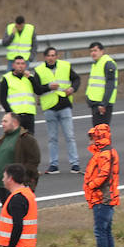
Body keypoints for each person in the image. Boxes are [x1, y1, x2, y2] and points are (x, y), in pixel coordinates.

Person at [35, 46, 80, 174]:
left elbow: (76, 79)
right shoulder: (39, 70)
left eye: (53, 55)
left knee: (70, 136)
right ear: (45, 57)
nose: (51, 58)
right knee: (52, 138)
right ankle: (54, 164)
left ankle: (75, 163)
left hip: (64, 105)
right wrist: (48, 87)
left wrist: (72, 89)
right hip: (49, 107)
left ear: (57, 56)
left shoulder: (65, 66)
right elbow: (37, 89)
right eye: (49, 55)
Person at [83, 124, 119, 247]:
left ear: (98, 137)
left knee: (100, 231)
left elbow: (104, 175)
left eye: (92, 137)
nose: (90, 140)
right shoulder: (106, 152)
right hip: (105, 198)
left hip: (102, 199)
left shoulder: (104, 154)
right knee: (106, 230)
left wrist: (90, 185)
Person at [0, 111, 40, 204]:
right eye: (2, 121)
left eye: (5, 121)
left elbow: (34, 160)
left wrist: (18, 176)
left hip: (16, 186)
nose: (2, 124)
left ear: (15, 123)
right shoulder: (2, 140)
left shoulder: (26, 139)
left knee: (16, 214)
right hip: (2, 186)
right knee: (7, 216)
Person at [0, 163, 38, 247]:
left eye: (4, 177)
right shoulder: (26, 193)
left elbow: (18, 225)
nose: (3, 180)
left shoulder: (17, 199)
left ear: (11, 179)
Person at [0, 56, 44, 135]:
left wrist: (30, 78)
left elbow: (39, 91)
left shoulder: (30, 77)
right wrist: (10, 113)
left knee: (29, 141)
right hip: (15, 116)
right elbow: (3, 99)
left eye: (22, 64)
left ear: (25, 65)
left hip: (29, 114)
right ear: (13, 65)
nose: (20, 66)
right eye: (18, 63)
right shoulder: (7, 78)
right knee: (16, 141)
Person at [85, 41, 117, 125]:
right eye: (91, 51)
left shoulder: (107, 63)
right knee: (97, 132)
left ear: (102, 51)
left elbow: (110, 84)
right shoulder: (96, 64)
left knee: (102, 132)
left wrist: (103, 104)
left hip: (102, 104)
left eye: (95, 50)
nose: (93, 53)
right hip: (95, 103)